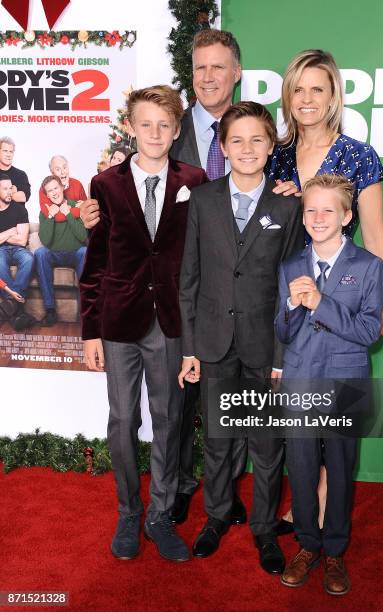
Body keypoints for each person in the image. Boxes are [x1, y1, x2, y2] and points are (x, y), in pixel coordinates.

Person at [79, 29, 249, 528]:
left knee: (207, 403)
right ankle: (153, 504)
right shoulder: (112, 180)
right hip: (143, 310)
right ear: (133, 127)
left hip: (211, 297)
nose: (210, 76)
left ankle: (214, 497)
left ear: (236, 71)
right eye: (201, 68)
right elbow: (103, 250)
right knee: (143, 415)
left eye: (219, 67)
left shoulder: (246, 134)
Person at [268, 48, 383, 534]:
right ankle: (305, 496)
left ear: (333, 96)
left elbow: (376, 233)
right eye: (297, 89)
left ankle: (324, 496)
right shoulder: (276, 154)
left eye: (316, 89)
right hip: (289, 294)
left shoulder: (359, 155)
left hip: (342, 294)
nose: (306, 99)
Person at [79, 85, 207, 563]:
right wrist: (90, 329)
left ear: (176, 131)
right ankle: (129, 512)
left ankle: (160, 514)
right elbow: (95, 260)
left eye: (164, 125)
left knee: (170, 418)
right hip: (118, 320)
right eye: (145, 124)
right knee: (122, 419)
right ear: (129, 128)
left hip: (170, 321)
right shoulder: (105, 185)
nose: (155, 133)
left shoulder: (194, 180)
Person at [178, 101, 304, 574]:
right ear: (223, 147)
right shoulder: (203, 200)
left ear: (271, 146)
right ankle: (215, 516)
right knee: (216, 436)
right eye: (237, 140)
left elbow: (292, 287)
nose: (247, 148)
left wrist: (280, 354)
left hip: (263, 345)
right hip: (212, 342)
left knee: (267, 444)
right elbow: (189, 278)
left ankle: (266, 529)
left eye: (257, 140)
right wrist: (189, 346)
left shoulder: (287, 205)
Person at [275, 173, 383, 594]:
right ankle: (307, 545)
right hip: (301, 382)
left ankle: (335, 551)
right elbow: (282, 332)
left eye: (327, 210)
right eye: (311, 210)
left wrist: (321, 302)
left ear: (346, 215)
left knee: (339, 471)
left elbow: (368, 330)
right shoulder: (290, 266)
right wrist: (290, 305)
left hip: (345, 385)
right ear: (303, 218)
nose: (318, 217)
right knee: (301, 471)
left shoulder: (368, 266)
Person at [35, 176, 87, 326]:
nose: (54, 193)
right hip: (55, 254)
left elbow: (82, 236)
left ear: (62, 188)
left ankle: (85, 312)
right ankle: (50, 310)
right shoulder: (45, 211)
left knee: (85, 251)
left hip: (75, 253)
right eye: (50, 191)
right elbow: (46, 240)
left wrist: (68, 214)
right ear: (47, 194)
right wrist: (51, 216)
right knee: (40, 253)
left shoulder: (75, 206)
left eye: (56, 188)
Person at [0, 174, 34, 329]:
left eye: (11, 188)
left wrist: (2, 236)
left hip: (19, 250)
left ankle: (9, 304)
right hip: (1, 251)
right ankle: (17, 310)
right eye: (5, 189)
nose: (9, 192)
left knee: (29, 259)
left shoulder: (20, 209)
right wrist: (10, 232)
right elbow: (16, 235)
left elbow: (22, 240)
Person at [39, 156, 87, 223]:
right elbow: (52, 215)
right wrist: (79, 210)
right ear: (52, 173)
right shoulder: (45, 189)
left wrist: (84, 206)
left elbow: (86, 210)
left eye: (64, 167)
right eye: (58, 169)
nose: (62, 172)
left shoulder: (77, 184)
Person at [0, 137, 31, 204]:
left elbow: (24, 197)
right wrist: (13, 192)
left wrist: (3, 193)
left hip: (17, 214)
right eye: (5, 151)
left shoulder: (21, 175)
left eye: (11, 151)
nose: (8, 155)